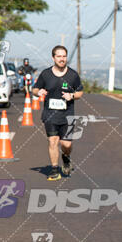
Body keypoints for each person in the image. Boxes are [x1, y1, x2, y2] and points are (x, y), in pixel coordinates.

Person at [32, 46, 83, 181]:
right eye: (59, 56)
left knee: (66, 144)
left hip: (68, 115)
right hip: (50, 114)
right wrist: (39, 92)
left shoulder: (72, 75)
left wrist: (71, 96)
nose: (62, 59)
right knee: (53, 141)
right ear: (53, 57)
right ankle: (54, 170)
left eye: (64, 56)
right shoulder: (46, 74)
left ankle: (66, 158)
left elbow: (80, 92)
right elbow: (35, 89)